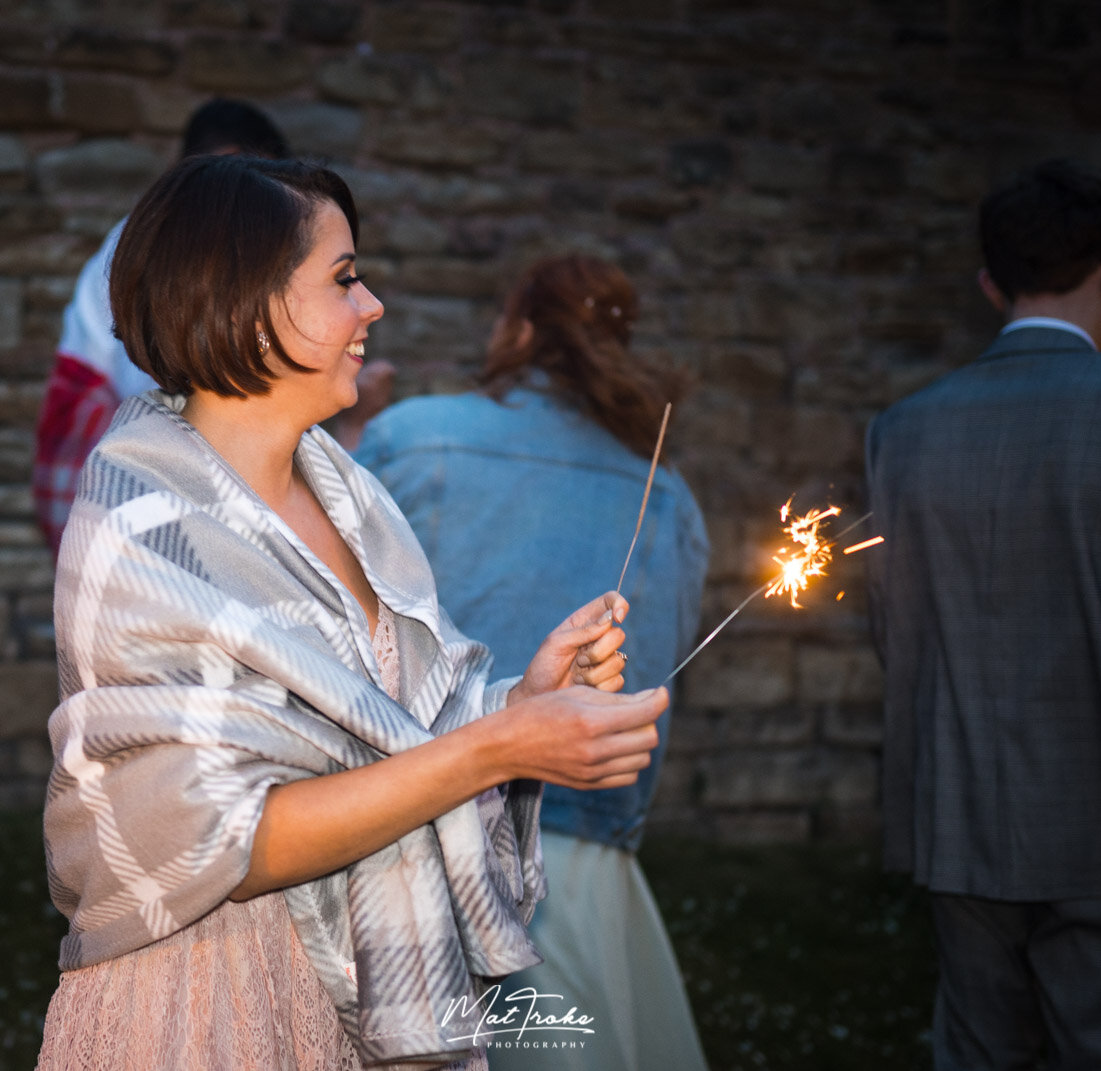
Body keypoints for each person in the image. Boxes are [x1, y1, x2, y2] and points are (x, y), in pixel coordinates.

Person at [35, 155, 672, 1070]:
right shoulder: (144, 528)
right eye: (343, 279)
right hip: (213, 998)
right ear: (250, 305)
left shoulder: (355, 499)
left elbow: (399, 735)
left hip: (376, 989)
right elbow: (226, 837)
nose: (371, 304)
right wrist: (497, 749)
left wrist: (519, 703)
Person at [864, 158, 1101, 1071]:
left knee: (975, 1048)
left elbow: (896, 633)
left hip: (958, 808)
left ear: (992, 282)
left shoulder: (905, 426)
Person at [356, 254, 710, 1071]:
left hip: (417, 832)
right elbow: (658, 671)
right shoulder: (667, 494)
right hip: (580, 859)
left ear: (517, 329)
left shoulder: (414, 435)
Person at [31, 98, 289, 557]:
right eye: (230, 180)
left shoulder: (249, 244)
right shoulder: (156, 244)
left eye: (257, 184)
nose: (240, 200)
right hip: (150, 476)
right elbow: (161, 386)